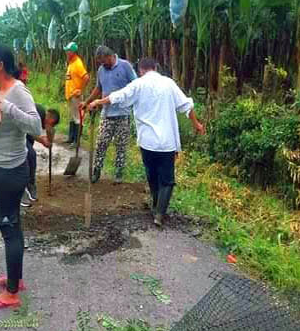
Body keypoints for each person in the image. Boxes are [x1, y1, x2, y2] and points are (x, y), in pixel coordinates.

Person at [88, 58, 205, 227]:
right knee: (167, 180)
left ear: (141, 70)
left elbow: (119, 96)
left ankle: (156, 206)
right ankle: (159, 213)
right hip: (166, 142)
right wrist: (197, 124)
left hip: (147, 142)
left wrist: (99, 101)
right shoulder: (168, 83)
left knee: (152, 175)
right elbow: (187, 105)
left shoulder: (138, 84)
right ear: (155, 68)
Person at [0, 44, 41, 309]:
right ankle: (16, 278)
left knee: (9, 228)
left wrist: (10, 109)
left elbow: (36, 126)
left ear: (1, 64)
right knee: (13, 225)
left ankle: (12, 293)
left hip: (11, 171)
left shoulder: (17, 91)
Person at [80, 45, 138, 184]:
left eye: (103, 61)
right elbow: (98, 88)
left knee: (121, 144)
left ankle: (118, 172)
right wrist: (87, 101)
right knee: (101, 143)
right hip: (106, 113)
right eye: (100, 62)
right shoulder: (101, 70)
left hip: (123, 113)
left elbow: (136, 86)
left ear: (109, 56)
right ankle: (97, 171)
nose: (102, 64)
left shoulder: (125, 66)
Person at [21, 105, 60, 207]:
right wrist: (43, 139)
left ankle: (31, 184)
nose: (48, 125)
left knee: (31, 157)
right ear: (49, 117)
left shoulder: (44, 119)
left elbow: (44, 138)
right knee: (29, 155)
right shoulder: (38, 114)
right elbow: (28, 131)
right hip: (17, 133)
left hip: (25, 135)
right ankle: (22, 188)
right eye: (50, 123)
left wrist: (50, 132)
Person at [63, 42, 90, 146]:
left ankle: (76, 141)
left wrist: (81, 90)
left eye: (68, 51)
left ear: (73, 52)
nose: (66, 52)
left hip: (75, 96)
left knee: (78, 118)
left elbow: (86, 77)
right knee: (72, 117)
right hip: (70, 95)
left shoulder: (78, 63)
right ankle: (71, 138)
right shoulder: (71, 62)